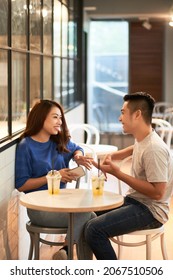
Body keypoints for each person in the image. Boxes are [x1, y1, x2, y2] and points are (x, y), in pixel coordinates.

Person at [84, 92, 173, 260]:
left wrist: (117, 173)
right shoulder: (143, 139)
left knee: (94, 230)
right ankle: (68, 253)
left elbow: (158, 193)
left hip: (151, 211)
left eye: (123, 112)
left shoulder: (154, 149)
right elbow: (134, 149)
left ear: (137, 114)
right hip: (136, 201)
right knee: (85, 213)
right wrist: (109, 157)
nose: (119, 118)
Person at [15, 99, 95, 260]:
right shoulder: (26, 146)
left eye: (60, 118)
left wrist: (78, 157)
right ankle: (69, 253)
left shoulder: (58, 140)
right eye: (55, 117)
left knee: (91, 219)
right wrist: (53, 176)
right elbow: (22, 185)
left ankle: (66, 252)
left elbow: (76, 148)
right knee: (88, 216)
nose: (60, 122)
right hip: (40, 209)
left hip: (61, 203)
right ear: (41, 118)